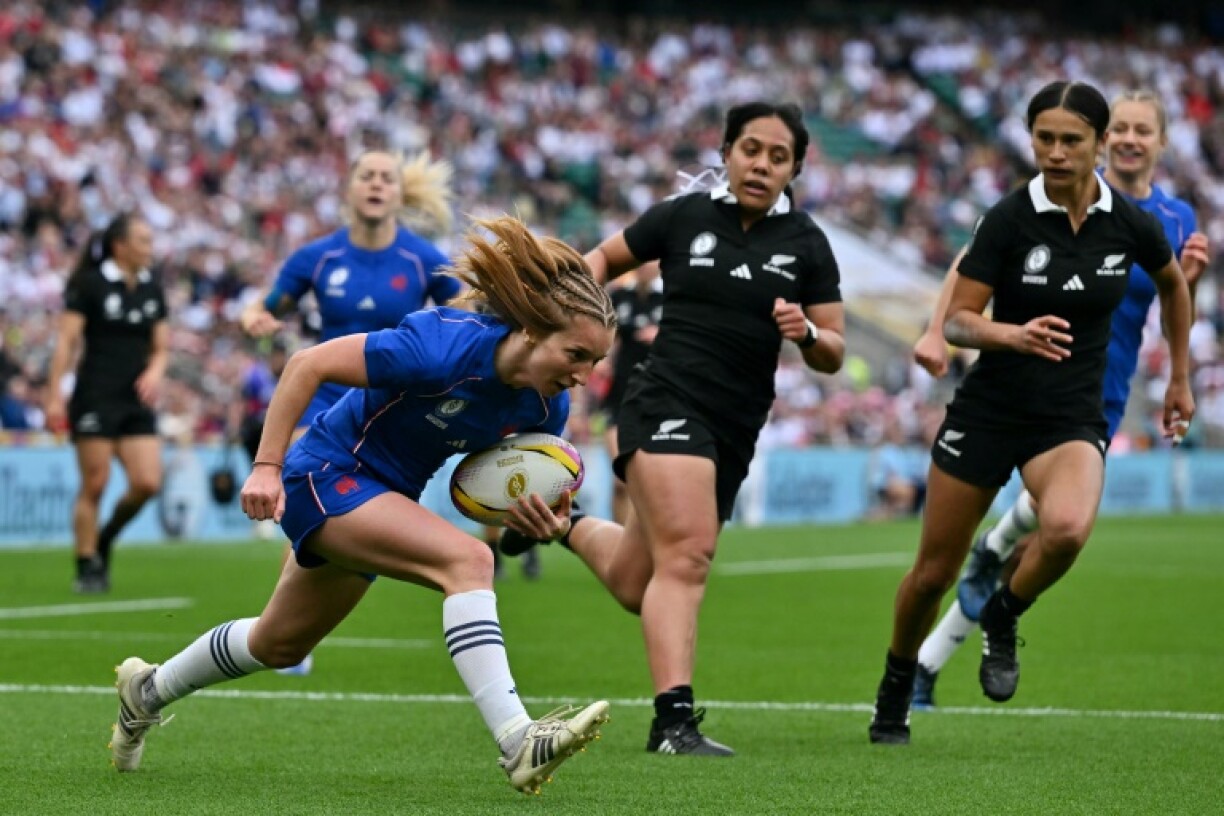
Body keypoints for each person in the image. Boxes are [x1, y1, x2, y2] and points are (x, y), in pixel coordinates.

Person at [109, 216, 617, 793]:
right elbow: (308, 365)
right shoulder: (441, 345)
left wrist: (533, 522)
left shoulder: (545, 412)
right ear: (530, 330)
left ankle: (145, 692)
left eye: (595, 363)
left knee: (279, 643)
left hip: (381, 499)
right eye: (576, 354)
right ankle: (518, 739)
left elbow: (502, 501)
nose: (583, 376)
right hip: (326, 472)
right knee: (468, 563)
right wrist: (267, 467)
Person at [500, 101, 846, 755]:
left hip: (736, 424)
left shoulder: (806, 244)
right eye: (750, 148)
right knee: (687, 558)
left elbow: (833, 349)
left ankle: (561, 522)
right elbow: (597, 261)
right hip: (663, 400)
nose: (761, 163)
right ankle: (673, 723)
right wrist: (570, 323)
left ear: (795, 167)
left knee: (639, 581)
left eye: (778, 156)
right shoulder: (684, 217)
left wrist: (808, 335)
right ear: (727, 151)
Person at [868, 80, 1196, 745]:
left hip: (1069, 415)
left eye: (1070, 140)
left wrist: (1180, 378)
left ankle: (1002, 611)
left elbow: (1173, 287)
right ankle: (897, 681)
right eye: (1043, 138)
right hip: (991, 409)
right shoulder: (1010, 218)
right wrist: (1008, 335)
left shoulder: (1133, 223)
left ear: (1099, 145)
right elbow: (960, 322)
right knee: (931, 574)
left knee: (1069, 530)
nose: (1054, 152)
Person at [241, 150, 464, 673]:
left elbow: (468, 313)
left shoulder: (422, 258)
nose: (377, 185)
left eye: (387, 178)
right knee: (299, 498)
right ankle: (284, 629)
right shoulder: (315, 258)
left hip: (391, 407)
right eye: (367, 176)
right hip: (323, 397)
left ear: (398, 193)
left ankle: (293, 624)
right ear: (349, 189)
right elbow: (267, 306)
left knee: (358, 516)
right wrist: (255, 316)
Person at [44, 213, 168, 594]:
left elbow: (161, 347)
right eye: (143, 240)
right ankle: (86, 566)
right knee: (95, 483)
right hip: (95, 394)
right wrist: (53, 395)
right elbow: (67, 342)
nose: (150, 247)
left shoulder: (152, 287)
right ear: (120, 246)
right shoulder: (89, 284)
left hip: (134, 400)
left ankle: (105, 538)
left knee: (147, 483)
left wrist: (155, 372)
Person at [602, 260, 663, 523]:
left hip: (656, 399)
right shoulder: (619, 296)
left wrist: (661, 335)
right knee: (621, 479)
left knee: (647, 481)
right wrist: (602, 359)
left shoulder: (668, 300)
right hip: (619, 398)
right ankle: (618, 540)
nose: (646, 267)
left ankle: (643, 541)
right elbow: (606, 336)